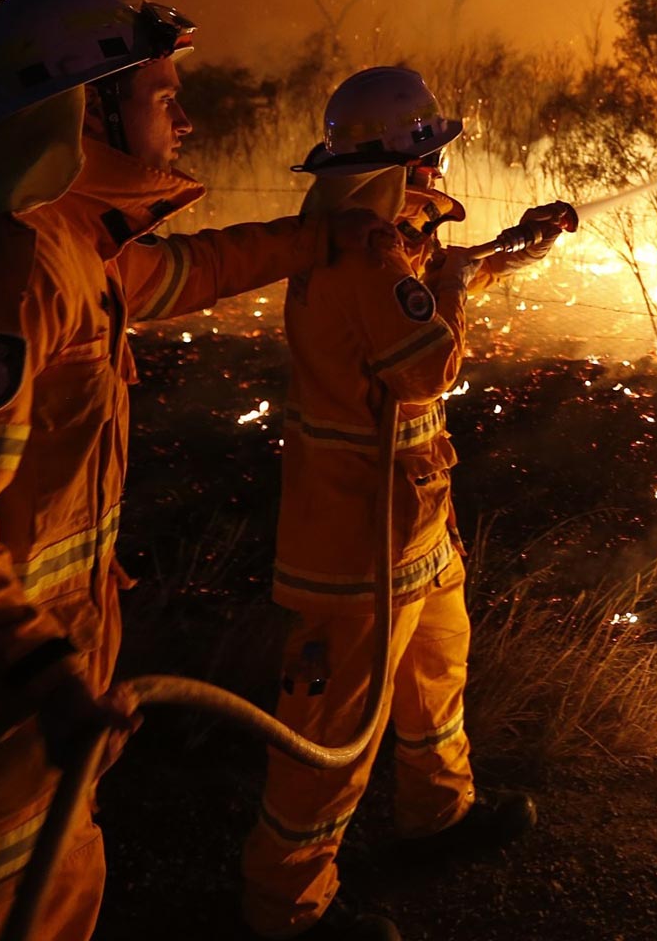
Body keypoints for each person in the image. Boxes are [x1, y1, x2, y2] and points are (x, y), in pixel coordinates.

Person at [0, 0, 389, 940]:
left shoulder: (75, 247)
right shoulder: (3, 273)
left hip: (25, 746)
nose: (185, 116)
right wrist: (44, 671)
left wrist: (327, 235)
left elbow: (198, 270)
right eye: (162, 95)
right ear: (89, 106)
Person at [241, 66, 576, 941]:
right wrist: (465, 283)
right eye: (429, 156)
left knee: (437, 676)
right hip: (353, 535)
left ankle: (439, 815)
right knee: (333, 726)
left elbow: (439, 274)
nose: (440, 173)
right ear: (396, 165)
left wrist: (520, 246)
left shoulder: (384, 240)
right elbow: (427, 358)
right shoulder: (363, 251)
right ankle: (288, 906)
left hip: (412, 517)